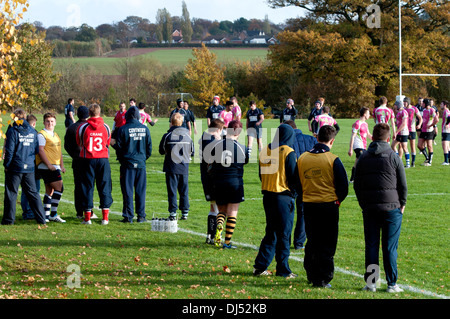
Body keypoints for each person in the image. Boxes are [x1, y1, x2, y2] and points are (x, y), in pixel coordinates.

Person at [354, 123, 407, 293]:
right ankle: (392, 284)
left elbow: (357, 184)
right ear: (388, 138)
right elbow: (403, 184)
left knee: (371, 245)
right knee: (390, 246)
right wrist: (402, 203)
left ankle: (371, 283)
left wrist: (363, 202)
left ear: (373, 137)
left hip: (370, 207)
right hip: (392, 206)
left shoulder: (363, 157)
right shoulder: (393, 156)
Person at [297, 125, 349, 288]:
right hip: (328, 205)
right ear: (332, 141)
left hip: (309, 204)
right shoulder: (333, 159)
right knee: (327, 242)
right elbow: (343, 186)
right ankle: (323, 278)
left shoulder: (303, 158)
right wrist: (337, 200)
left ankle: (311, 274)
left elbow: (297, 183)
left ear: (316, 137)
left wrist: (306, 194)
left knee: (312, 240)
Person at [253, 124, 298, 278]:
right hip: (283, 196)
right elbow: (293, 176)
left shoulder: (265, 150)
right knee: (284, 234)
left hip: (268, 196)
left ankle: (260, 266)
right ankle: (283, 270)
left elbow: (261, 174)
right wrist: (295, 193)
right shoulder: (288, 151)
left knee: (271, 232)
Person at [2, 109, 46, 225]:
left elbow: (9, 151)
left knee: (11, 193)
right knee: (33, 194)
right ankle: (41, 219)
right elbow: (36, 149)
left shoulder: (13, 130)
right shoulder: (32, 130)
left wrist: (6, 164)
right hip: (30, 167)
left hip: (15, 167)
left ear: (15, 118)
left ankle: (8, 220)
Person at [209, 120, 249, 249]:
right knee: (232, 212)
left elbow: (210, 161)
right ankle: (227, 242)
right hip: (234, 182)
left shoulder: (216, 145)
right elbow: (244, 162)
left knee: (221, 211)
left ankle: (219, 228)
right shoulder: (243, 148)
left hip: (218, 181)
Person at [113, 106, 152, 223]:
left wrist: (121, 158)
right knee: (140, 191)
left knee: (127, 191)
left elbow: (119, 148)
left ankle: (128, 216)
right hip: (140, 164)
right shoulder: (145, 129)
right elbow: (149, 148)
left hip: (127, 164)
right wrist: (143, 158)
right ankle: (141, 216)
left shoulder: (123, 129)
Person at [76, 104, 113, 225]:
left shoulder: (83, 127)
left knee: (87, 186)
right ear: (99, 112)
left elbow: (79, 142)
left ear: (89, 113)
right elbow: (107, 142)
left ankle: (87, 218)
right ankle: (105, 218)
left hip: (88, 159)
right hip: (102, 159)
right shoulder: (106, 127)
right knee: (104, 186)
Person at [283, 120, 317, 251]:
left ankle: (285, 240)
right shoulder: (310, 139)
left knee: (288, 212)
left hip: (290, 180)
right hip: (307, 179)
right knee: (303, 212)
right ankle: (299, 242)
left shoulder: (285, 142)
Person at [159, 113, 194, 221]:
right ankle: (185, 212)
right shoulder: (188, 136)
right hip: (184, 167)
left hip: (172, 167)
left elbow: (161, 150)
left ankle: (173, 212)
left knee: (172, 190)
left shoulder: (167, 136)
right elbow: (192, 152)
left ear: (171, 123)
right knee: (184, 190)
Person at [35, 112, 66, 223]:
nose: (50, 123)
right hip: (47, 166)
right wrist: (48, 165)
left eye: (52, 121)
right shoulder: (42, 134)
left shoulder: (56, 135)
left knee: (50, 191)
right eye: (47, 121)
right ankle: (53, 214)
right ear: (44, 122)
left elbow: (59, 152)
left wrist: (61, 166)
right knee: (60, 188)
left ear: (55, 122)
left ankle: (46, 215)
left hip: (55, 165)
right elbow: (41, 150)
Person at [199, 119, 225, 244]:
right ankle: (215, 236)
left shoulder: (204, 137)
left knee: (213, 206)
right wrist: (219, 140)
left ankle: (209, 236)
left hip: (206, 177)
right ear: (218, 130)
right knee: (218, 208)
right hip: (213, 178)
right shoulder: (212, 140)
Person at [64, 105, 89, 219]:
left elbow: (66, 145)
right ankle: (89, 210)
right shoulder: (89, 127)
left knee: (78, 186)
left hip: (77, 160)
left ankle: (79, 212)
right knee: (89, 185)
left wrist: (74, 155)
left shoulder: (72, 127)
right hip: (89, 161)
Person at [20, 114, 41, 220]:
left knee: (25, 190)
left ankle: (26, 212)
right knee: (34, 189)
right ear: (33, 123)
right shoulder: (34, 133)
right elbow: (37, 150)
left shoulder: (19, 131)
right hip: (32, 166)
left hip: (21, 165)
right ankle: (29, 212)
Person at [348, 107, 372, 182]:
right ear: (364, 114)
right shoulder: (357, 123)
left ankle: (353, 179)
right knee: (364, 160)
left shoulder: (365, 124)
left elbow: (368, 135)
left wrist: (378, 139)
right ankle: (363, 178)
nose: (369, 115)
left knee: (357, 162)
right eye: (368, 113)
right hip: (358, 145)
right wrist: (351, 148)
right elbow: (353, 136)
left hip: (363, 145)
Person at [418, 98, 439, 166]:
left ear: (426, 104)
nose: (422, 104)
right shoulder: (424, 110)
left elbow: (437, 119)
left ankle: (429, 161)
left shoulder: (431, 110)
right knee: (419, 145)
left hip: (429, 131)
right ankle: (427, 157)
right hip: (423, 130)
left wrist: (431, 125)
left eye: (423, 103)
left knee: (429, 146)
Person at [391, 101, 411, 168]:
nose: (394, 106)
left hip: (404, 132)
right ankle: (397, 159)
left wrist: (396, 132)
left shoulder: (404, 112)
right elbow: (399, 122)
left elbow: (404, 124)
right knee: (393, 145)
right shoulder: (399, 112)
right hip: (399, 132)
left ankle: (408, 163)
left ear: (398, 105)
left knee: (404, 147)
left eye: (395, 105)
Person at [404, 97, 422, 167]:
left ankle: (413, 162)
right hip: (404, 130)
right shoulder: (404, 109)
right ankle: (405, 161)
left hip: (412, 130)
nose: (404, 103)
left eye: (405, 102)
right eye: (403, 102)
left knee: (412, 146)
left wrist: (419, 124)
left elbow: (420, 118)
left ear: (408, 102)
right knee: (402, 146)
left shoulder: (414, 109)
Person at [440, 100, 450, 165]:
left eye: (441, 104)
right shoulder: (445, 111)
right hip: (446, 131)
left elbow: (449, 118)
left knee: (445, 145)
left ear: (445, 105)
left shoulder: (446, 111)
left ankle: (446, 161)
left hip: (446, 131)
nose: (440, 105)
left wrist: (446, 123)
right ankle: (448, 160)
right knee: (447, 146)